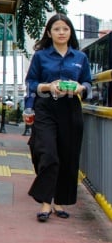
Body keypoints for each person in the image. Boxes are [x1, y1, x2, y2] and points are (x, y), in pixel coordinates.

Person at [24, 13, 91, 222]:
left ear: (70, 32)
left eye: (65, 29)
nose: (61, 32)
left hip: (71, 107)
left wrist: (80, 88)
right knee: (48, 153)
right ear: (49, 32)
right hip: (45, 106)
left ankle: (59, 201)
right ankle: (45, 202)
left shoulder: (80, 57)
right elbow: (31, 83)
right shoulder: (41, 56)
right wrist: (47, 86)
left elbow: (88, 83)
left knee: (68, 157)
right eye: (56, 29)